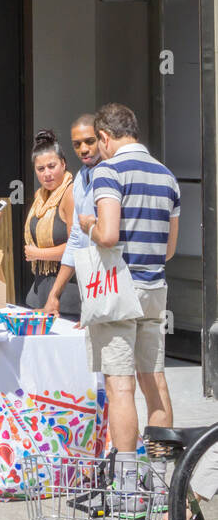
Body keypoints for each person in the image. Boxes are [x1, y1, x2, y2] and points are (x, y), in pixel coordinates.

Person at [85, 103, 179, 467]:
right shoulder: (167, 176)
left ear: (105, 137)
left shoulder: (108, 171)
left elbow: (107, 235)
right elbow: (169, 250)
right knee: (154, 380)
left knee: (120, 385)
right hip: (155, 288)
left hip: (119, 289)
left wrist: (86, 225)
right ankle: (161, 477)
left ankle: (125, 481)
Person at [46, 114, 101, 321]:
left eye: (89, 141)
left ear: (102, 138)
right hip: (90, 283)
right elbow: (76, 238)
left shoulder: (113, 174)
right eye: (77, 144)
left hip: (113, 280)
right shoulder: (79, 179)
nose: (83, 149)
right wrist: (54, 294)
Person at [21, 129, 79, 319]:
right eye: (41, 169)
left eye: (51, 166)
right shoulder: (41, 196)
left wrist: (38, 253)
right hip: (37, 293)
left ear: (63, 164)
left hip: (66, 296)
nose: (47, 173)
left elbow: (76, 245)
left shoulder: (70, 194)